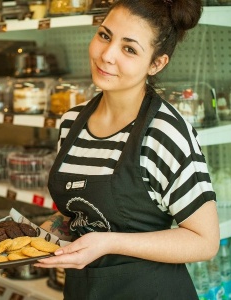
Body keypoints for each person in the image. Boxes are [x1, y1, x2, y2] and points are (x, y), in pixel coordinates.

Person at [34, 0, 220, 299]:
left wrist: (109, 242)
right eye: (105, 36)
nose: (106, 55)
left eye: (129, 49)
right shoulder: (72, 122)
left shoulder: (164, 132)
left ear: (156, 63)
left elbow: (205, 241)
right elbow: (80, 216)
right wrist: (49, 231)